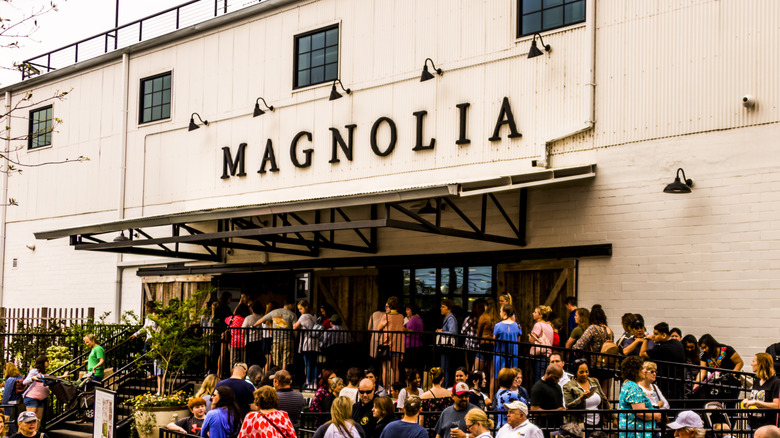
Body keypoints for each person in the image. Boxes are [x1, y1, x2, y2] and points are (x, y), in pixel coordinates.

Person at [618, 356, 662, 438]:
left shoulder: (628, 384)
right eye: (642, 368)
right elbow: (641, 413)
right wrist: (656, 416)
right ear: (635, 371)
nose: (645, 371)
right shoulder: (633, 388)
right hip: (636, 433)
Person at [563, 359, 608, 427]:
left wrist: (613, 417)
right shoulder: (568, 386)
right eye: (581, 372)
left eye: (586, 371)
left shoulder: (594, 381)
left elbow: (604, 398)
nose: (585, 374)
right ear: (575, 372)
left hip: (598, 422)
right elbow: (568, 405)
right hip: (581, 424)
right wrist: (581, 398)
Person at [254, 301, 297, 370]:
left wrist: (253, 326)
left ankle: (278, 375)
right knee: (285, 361)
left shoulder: (274, 312)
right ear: (290, 305)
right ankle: (283, 375)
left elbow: (261, 320)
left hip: (276, 340)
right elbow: (295, 328)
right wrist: (295, 338)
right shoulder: (292, 314)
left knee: (277, 360)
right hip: (288, 340)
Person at [742, 353, 780, 430]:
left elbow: (777, 405)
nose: (751, 364)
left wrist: (756, 402)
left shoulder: (776, 382)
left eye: (753, 361)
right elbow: (756, 399)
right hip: (751, 424)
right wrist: (748, 401)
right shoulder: (757, 381)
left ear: (761, 364)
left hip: (766, 426)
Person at [376, 297, 404, 387]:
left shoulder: (386, 316)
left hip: (386, 345)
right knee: (395, 368)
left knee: (385, 368)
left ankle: (386, 388)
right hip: (397, 345)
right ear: (397, 306)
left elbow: (378, 328)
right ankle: (395, 388)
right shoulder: (401, 316)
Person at [292, 299, 319, 390]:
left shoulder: (304, 316)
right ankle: (314, 382)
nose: (299, 311)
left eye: (300, 309)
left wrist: (295, 325)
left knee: (307, 363)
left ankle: (308, 382)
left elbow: (295, 326)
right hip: (315, 343)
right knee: (314, 363)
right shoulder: (314, 316)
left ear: (306, 307)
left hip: (307, 343)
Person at [530, 364, 565, 429]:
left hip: (557, 427)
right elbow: (534, 411)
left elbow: (559, 406)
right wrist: (555, 412)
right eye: (556, 377)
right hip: (544, 427)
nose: (558, 380)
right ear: (548, 374)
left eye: (559, 378)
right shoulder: (538, 387)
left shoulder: (557, 387)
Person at [493, 305, 521, 384]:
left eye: (500, 311)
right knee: (512, 377)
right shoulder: (517, 326)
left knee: (500, 377)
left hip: (500, 354)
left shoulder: (497, 326)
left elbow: (493, 340)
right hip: (513, 354)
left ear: (504, 313)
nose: (500, 313)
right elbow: (518, 341)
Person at [421, 367, 453, 431]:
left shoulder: (424, 396)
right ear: (442, 379)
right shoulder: (450, 394)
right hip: (445, 429)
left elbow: (421, 419)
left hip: (430, 429)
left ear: (430, 378)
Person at [437, 299, 458, 387]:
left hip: (447, 346)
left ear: (449, 309)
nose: (441, 308)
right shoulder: (447, 318)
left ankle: (444, 386)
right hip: (445, 346)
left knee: (445, 367)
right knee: (444, 367)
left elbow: (453, 332)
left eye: (443, 307)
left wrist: (441, 331)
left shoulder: (451, 319)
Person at [529, 305, 554, 381]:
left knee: (538, 380)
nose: (533, 313)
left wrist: (529, 337)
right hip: (548, 355)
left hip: (540, 355)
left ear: (540, 315)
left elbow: (532, 341)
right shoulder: (549, 326)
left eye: (535, 312)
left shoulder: (538, 325)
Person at [22, 355, 49, 422]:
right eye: (47, 361)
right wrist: (32, 378)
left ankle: (36, 432)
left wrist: (63, 376)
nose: (48, 363)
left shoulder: (44, 373)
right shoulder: (34, 371)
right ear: (43, 362)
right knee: (30, 418)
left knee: (38, 419)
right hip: (32, 397)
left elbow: (52, 378)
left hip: (41, 399)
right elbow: (24, 382)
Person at [474, 298, 496, 375]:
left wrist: (478, 340)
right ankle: (491, 387)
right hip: (493, 345)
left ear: (486, 306)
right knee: (492, 372)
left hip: (484, 343)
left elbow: (478, 333)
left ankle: (474, 385)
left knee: (476, 370)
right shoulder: (497, 318)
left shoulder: (484, 316)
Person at [242, 302, 266, 370]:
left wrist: (245, 337)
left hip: (250, 341)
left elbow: (243, 330)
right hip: (260, 341)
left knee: (250, 360)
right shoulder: (262, 318)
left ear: (252, 309)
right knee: (258, 360)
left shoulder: (248, 318)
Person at [461, 299, 484, 370]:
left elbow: (463, 331)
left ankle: (471, 379)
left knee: (470, 365)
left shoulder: (469, 319)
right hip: (479, 346)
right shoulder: (483, 319)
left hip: (470, 345)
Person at [402, 303, 424, 375]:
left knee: (409, 367)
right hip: (415, 345)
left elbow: (408, 332)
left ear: (413, 310)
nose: (406, 311)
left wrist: (401, 326)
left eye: (408, 309)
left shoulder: (413, 319)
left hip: (411, 346)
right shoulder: (418, 318)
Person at [3, 363, 23, 435]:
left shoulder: (10, 379)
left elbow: (7, 393)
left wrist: (3, 405)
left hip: (10, 402)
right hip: (18, 402)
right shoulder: (20, 377)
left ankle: (14, 434)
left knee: (10, 420)